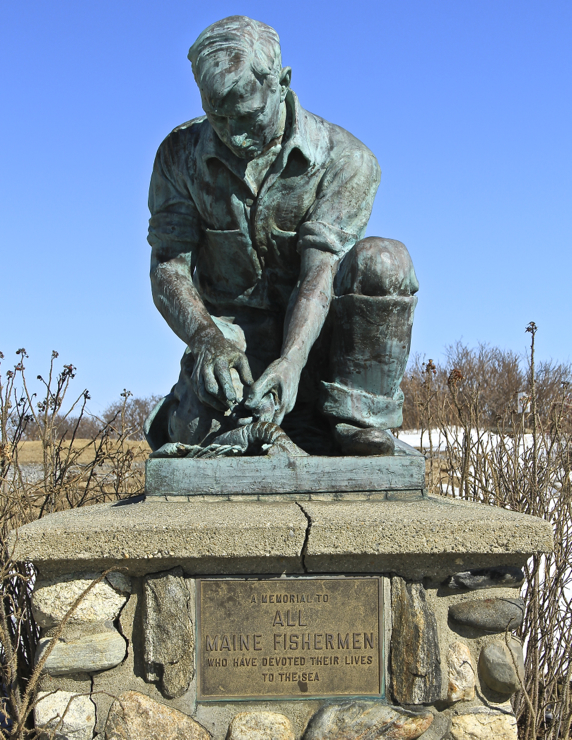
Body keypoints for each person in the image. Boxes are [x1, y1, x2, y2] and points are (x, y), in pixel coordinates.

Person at [145, 15, 418, 457]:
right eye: (218, 116)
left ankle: (355, 418)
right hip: (234, 347)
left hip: (323, 347)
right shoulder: (178, 156)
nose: (233, 134)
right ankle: (258, 418)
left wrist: (291, 362)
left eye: (247, 116)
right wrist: (205, 338)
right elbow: (168, 266)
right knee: (193, 429)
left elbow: (319, 273)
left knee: (384, 261)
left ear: (283, 82)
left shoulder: (347, 160)